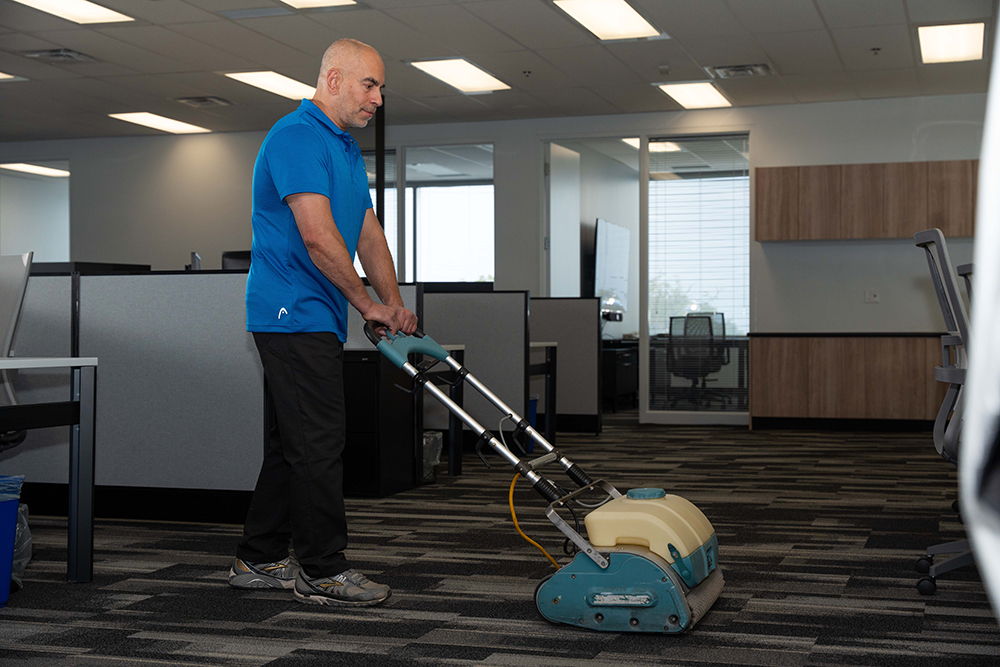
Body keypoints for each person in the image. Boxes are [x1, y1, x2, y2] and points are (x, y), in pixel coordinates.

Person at [229, 38, 417, 607]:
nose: (378, 98)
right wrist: (367, 306)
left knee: (295, 444)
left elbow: (367, 232)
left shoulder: (342, 148)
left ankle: (258, 559)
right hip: (289, 312)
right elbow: (316, 235)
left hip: (317, 314)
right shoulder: (294, 136)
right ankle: (321, 569)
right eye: (370, 85)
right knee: (319, 442)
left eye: (381, 88)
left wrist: (394, 304)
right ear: (333, 80)